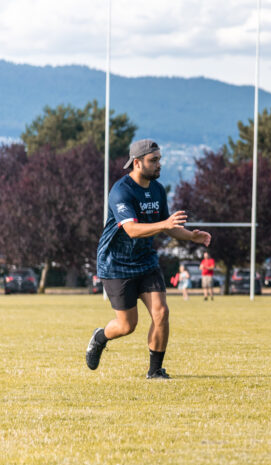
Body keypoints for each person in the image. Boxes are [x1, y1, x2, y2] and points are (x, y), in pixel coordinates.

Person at [85, 139, 211, 379]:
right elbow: (131, 229)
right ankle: (100, 337)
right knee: (126, 326)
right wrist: (165, 223)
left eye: (159, 159)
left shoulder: (157, 189)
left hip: (145, 261)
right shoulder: (121, 191)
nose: (158, 165)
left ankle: (155, 371)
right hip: (116, 265)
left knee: (161, 313)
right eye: (153, 161)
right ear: (137, 162)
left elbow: (167, 226)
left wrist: (191, 236)